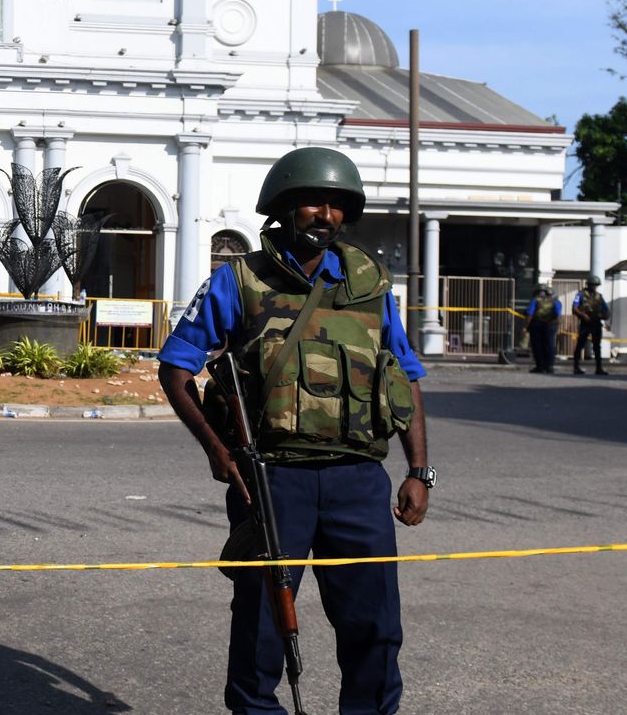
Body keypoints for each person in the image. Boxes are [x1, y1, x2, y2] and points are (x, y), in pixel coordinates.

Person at [159, 146, 431, 715]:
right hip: (273, 480)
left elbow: (403, 376)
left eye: (336, 205)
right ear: (282, 208)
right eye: (312, 201)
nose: (324, 215)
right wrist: (217, 451)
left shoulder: (370, 283)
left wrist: (418, 471)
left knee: (376, 626)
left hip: (358, 479)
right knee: (262, 626)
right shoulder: (241, 280)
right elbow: (176, 369)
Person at [573, 275, 610, 376]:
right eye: (592, 285)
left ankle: (599, 368)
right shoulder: (580, 295)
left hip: (596, 322)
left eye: (595, 285)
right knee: (580, 344)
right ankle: (576, 367)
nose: (594, 287)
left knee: (597, 346)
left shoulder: (599, 296)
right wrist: (583, 315)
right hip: (586, 322)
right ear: (588, 285)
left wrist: (605, 316)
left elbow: (606, 310)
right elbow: (575, 308)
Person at [524, 284, 561, 374]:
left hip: (536, 325)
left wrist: (525, 326)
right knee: (550, 346)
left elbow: (530, 313)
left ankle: (540, 366)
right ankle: (550, 366)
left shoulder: (535, 300)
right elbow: (557, 314)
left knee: (537, 346)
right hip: (550, 325)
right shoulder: (555, 301)